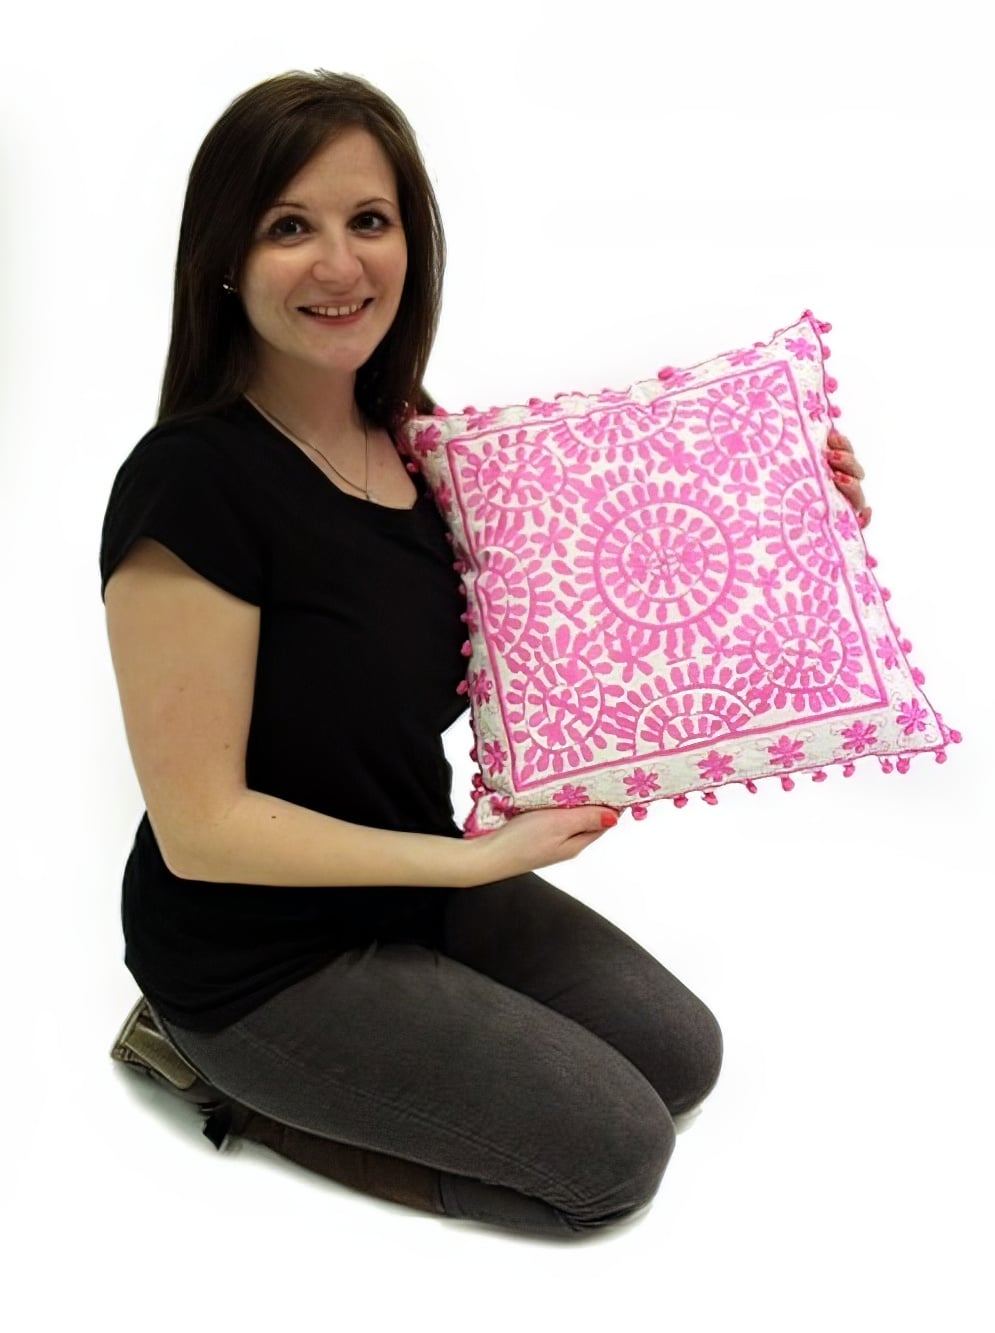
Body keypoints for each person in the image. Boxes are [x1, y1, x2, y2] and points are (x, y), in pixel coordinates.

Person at [100, 69, 869, 1237]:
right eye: (288, 227)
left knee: (682, 1055)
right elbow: (201, 829)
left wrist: (794, 512)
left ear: (412, 241)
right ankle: (204, 1067)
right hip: (258, 956)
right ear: (224, 256)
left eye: (369, 219)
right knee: (613, 1158)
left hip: (406, 881)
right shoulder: (190, 485)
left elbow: (591, 590)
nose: (339, 263)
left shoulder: (414, 440)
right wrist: (473, 865)